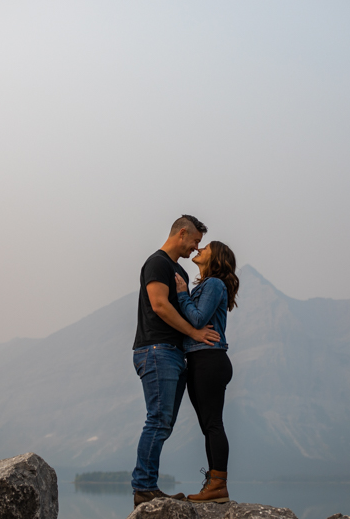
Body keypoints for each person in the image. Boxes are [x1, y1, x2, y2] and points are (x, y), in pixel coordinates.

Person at [131, 215, 221, 508]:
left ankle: (148, 486)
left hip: (170, 352)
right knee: (157, 420)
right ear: (182, 233)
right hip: (157, 350)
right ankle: (144, 487)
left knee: (163, 422)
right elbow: (159, 305)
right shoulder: (157, 263)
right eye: (195, 241)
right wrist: (195, 332)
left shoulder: (176, 269)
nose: (196, 248)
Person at [174, 240, 240, 504]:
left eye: (206, 247)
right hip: (201, 360)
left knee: (212, 424)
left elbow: (199, 319)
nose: (199, 249)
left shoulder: (213, 284)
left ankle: (218, 485)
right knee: (208, 425)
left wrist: (181, 294)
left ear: (216, 258)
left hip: (210, 359)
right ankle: (214, 484)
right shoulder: (206, 285)